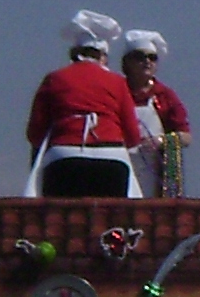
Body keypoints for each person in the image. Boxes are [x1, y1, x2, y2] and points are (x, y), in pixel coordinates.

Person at [25, 10, 145, 195]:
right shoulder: (118, 82)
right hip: (112, 160)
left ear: (74, 53)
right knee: (111, 212)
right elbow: (133, 137)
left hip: (65, 157)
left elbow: (35, 134)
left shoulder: (54, 79)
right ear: (103, 56)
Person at [119, 30, 190, 196]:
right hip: (122, 164)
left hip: (154, 171)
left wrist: (161, 141)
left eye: (152, 57)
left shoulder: (165, 95)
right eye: (140, 57)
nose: (147, 62)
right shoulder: (117, 90)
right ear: (127, 62)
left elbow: (186, 136)